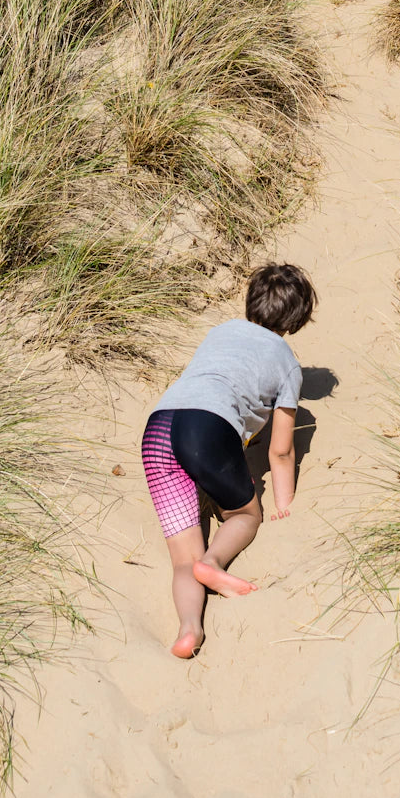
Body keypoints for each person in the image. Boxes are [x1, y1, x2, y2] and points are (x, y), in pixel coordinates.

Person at [141, 262, 317, 658]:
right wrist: (282, 504)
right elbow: (281, 449)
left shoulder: (219, 332)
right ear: (296, 318)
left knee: (182, 562)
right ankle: (215, 562)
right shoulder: (287, 361)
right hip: (206, 428)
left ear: (251, 301)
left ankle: (189, 629)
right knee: (243, 515)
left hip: (158, 428)